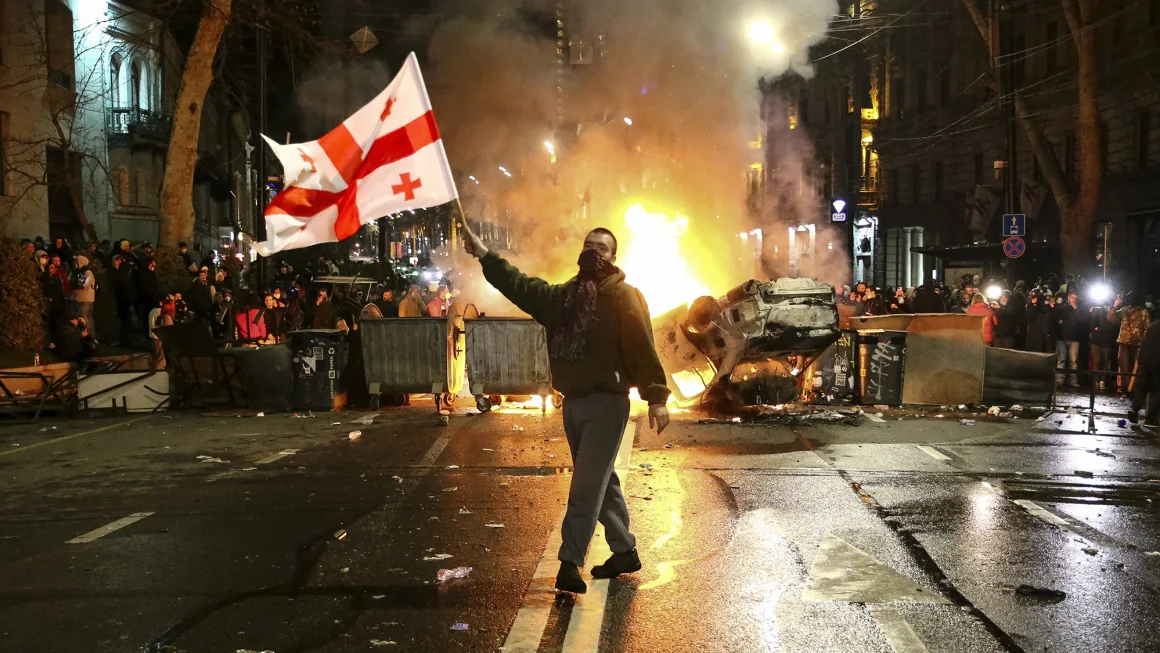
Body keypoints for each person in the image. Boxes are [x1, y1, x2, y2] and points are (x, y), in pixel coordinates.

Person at [462, 220, 669, 595]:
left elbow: (642, 346)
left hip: (608, 404)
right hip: (572, 404)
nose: (594, 250)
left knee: (586, 486)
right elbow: (520, 286)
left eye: (602, 247)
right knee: (602, 483)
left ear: (614, 257)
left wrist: (656, 397)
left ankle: (570, 562)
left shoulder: (625, 296)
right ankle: (624, 551)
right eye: (590, 244)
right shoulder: (563, 297)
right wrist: (486, 256)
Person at [1110, 292, 1151, 395]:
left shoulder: (1144, 312)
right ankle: (1125, 389)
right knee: (1123, 365)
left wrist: (1144, 343)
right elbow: (1112, 319)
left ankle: (1134, 388)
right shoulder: (1124, 310)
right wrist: (1114, 306)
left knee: (1136, 367)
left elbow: (1147, 328)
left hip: (1138, 343)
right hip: (1124, 341)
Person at [1129, 317, 1160, 426]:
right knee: (1157, 390)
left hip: (1144, 359)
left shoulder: (1153, 324)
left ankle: (1134, 408)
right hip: (1157, 362)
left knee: (1143, 386)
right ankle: (1150, 420)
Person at [1090, 300, 1119, 391]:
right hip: (1096, 343)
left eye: (1112, 312)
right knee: (1098, 361)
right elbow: (1092, 327)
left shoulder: (1116, 323)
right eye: (1109, 311)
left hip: (1107, 344)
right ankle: (1096, 380)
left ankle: (1102, 381)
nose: (1110, 313)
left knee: (1105, 363)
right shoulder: (1100, 317)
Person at [1056, 291, 1083, 387]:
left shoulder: (1080, 309)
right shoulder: (1063, 308)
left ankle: (1073, 381)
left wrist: (1074, 309)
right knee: (1061, 359)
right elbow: (1058, 319)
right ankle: (1059, 380)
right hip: (1062, 337)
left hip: (1075, 338)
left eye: (1075, 298)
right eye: (1072, 297)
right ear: (1068, 297)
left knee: (1073, 361)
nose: (1073, 299)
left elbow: (1080, 321)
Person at [111, 254, 139, 344]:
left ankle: (124, 339)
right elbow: (126, 292)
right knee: (124, 323)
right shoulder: (123, 279)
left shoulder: (122, 278)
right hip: (124, 304)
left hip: (122, 304)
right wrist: (130, 304)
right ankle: (122, 339)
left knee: (125, 322)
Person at [72, 255, 97, 340]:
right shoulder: (75, 272)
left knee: (87, 318)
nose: (75, 263)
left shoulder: (88, 272)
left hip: (87, 299)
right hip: (78, 298)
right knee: (81, 319)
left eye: (76, 261)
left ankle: (91, 337)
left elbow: (86, 285)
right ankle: (83, 336)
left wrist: (77, 288)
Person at [138, 258, 162, 330]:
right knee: (148, 315)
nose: (155, 264)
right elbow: (150, 287)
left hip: (151, 298)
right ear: (150, 263)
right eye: (154, 262)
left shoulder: (150, 273)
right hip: (148, 299)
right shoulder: (146, 274)